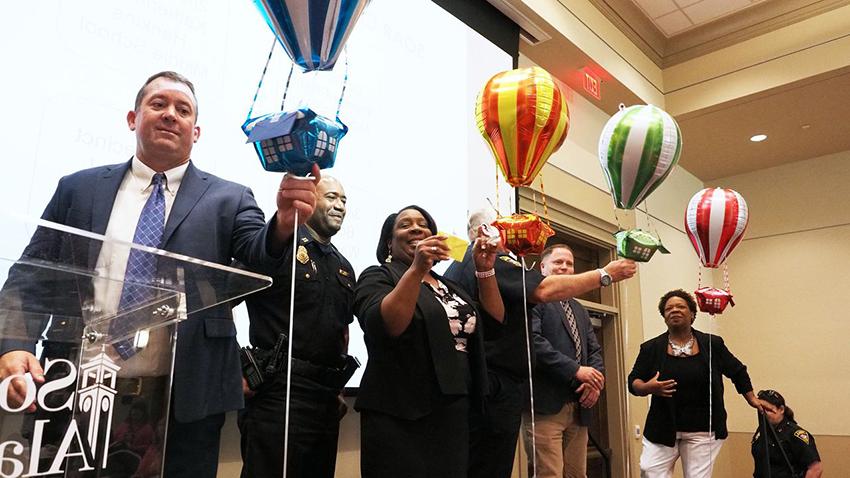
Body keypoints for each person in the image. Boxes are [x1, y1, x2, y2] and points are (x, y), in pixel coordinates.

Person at [0, 71, 320, 477]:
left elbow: (259, 254)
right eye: (158, 105)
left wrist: (284, 225)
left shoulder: (230, 197)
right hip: (73, 388)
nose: (171, 115)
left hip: (185, 400)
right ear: (133, 118)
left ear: (196, 131)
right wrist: (14, 343)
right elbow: (31, 276)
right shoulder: (77, 189)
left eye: (182, 110)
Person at [444, 209, 636, 478]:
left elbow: (592, 348)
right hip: (501, 388)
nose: (514, 229)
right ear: (482, 233)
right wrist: (605, 274)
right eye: (504, 225)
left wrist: (594, 377)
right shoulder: (488, 260)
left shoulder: (465, 265)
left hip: (492, 385)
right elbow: (543, 294)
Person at [353, 205, 503, 478]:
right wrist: (416, 268)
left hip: (454, 412)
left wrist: (485, 270)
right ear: (389, 242)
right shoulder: (379, 276)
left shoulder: (449, 287)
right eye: (405, 224)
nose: (416, 228)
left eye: (422, 224)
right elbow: (387, 325)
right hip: (400, 413)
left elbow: (492, 323)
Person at [238, 176, 357, 478]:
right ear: (308, 199)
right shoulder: (274, 247)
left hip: (325, 400)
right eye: (331, 197)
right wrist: (229, 368)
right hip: (278, 391)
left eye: (344, 200)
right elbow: (220, 302)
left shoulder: (343, 265)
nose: (340, 206)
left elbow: (341, 329)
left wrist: (339, 390)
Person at [628, 289, 762, 478]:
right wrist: (647, 387)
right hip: (663, 426)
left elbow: (737, 371)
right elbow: (633, 381)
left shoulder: (712, 344)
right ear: (664, 317)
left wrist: (752, 399)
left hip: (703, 428)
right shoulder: (650, 348)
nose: (674, 310)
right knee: (649, 470)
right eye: (669, 308)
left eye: (680, 306)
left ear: (692, 314)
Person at [523, 244, 604, 478]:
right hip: (545, 406)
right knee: (549, 474)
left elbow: (594, 349)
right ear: (543, 267)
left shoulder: (579, 309)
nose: (565, 267)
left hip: (579, 407)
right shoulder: (533, 299)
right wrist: (577, 371)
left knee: (577, 474)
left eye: (569, 264)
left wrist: (594, 383)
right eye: (558, 262)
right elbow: (534, 342)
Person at [752, 389, 822, 478]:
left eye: (768, 409)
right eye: (761, 409)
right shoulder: (762, 431)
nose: (763, 413)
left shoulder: (795, 434)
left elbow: (816, 468)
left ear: (781, 409)